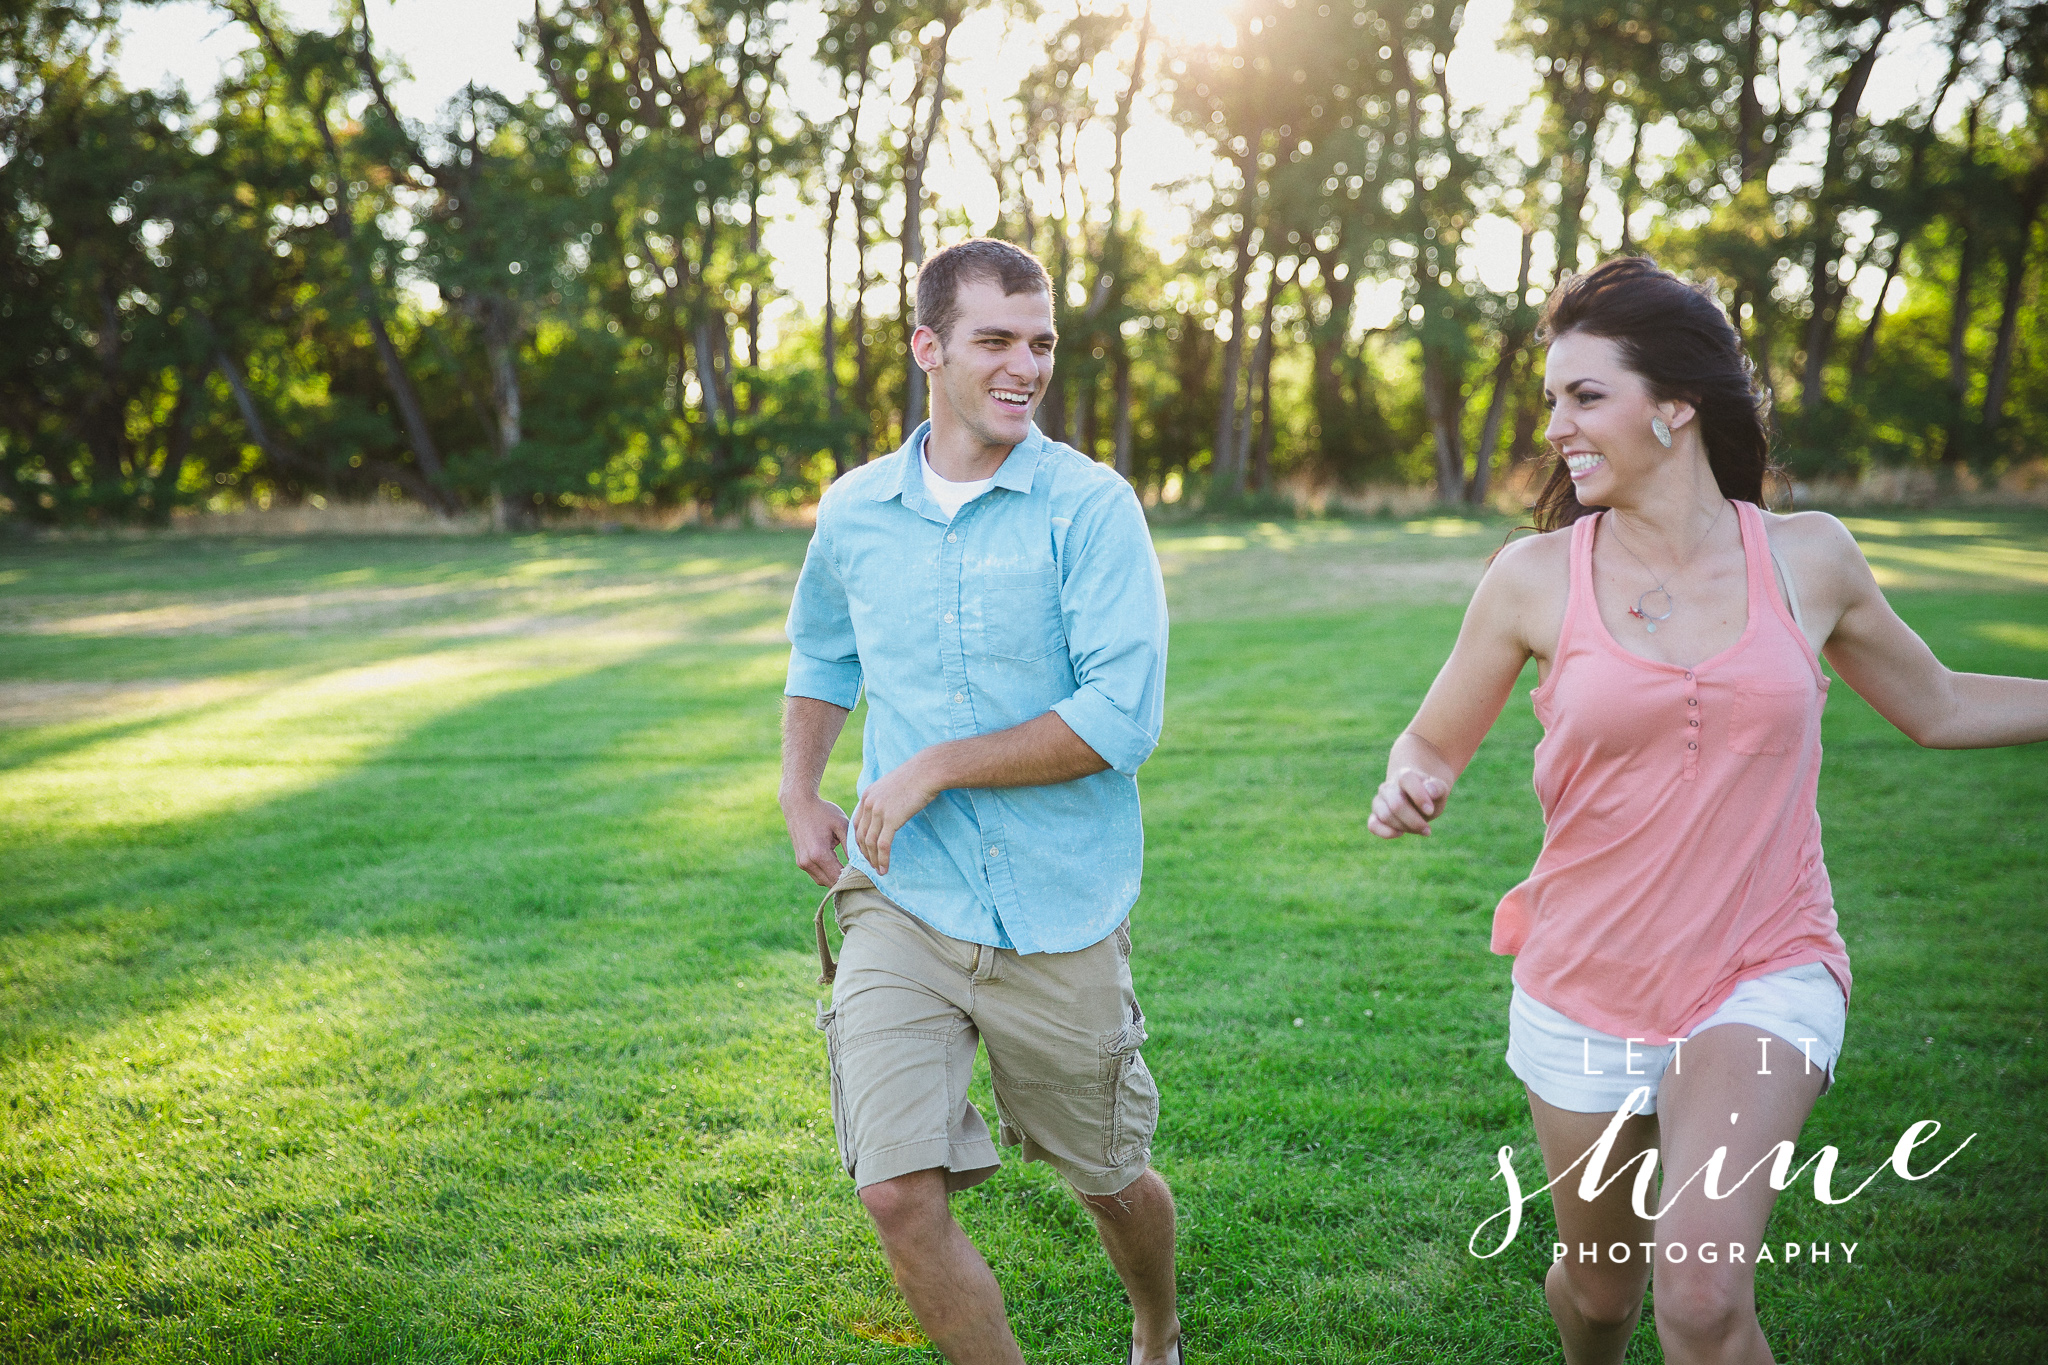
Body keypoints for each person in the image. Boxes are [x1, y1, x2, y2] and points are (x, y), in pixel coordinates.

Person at [1366, 255, 2048, 1365]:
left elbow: (1936, 704)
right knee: (1598, 1298)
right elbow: (1428, 740)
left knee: (1696, 1297)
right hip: (1582, 980)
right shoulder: (1532, 577)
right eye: (1552, 400)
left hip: (1762, 962)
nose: (1556, 426)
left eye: (1584, 396)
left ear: (1675, 405)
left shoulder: (1807, 557)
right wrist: (1410, 779)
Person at [778, 237, 1180, 1365]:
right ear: (928, 348)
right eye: (995, 340)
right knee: (897, 1194)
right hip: (903, 897)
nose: (1025, 365)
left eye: (1040, 342)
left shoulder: (1090, 508)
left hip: (1058, 906)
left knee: (1106, 1179)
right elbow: (820, 657)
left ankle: (1156, 1322)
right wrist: (798, 787)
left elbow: (1120, 719)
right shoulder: (854, 511)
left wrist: (933, 765)